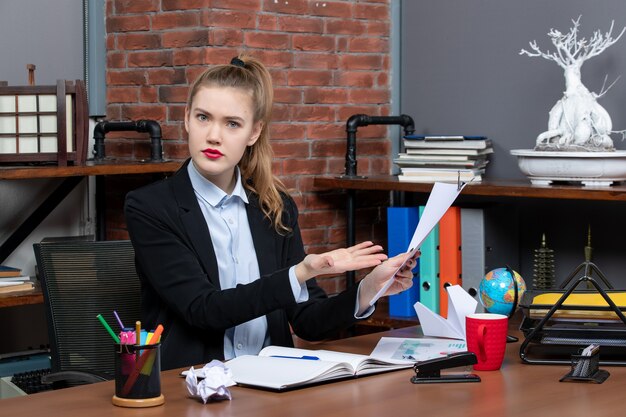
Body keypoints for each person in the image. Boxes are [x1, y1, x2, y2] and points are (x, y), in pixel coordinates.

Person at [124, 54, 418, 370]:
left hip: (272, 383)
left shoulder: (274, 206)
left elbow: (308, 321)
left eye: (232, 123)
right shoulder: (150, 207)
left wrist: (369, 288)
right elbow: (203, 309)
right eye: (203, 117)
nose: (213, 136)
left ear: (254, 132)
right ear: (186, 119)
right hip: (192, 386)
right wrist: (302, 272)